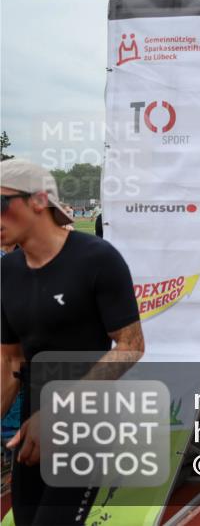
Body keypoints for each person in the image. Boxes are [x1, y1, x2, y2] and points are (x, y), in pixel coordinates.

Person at [0, 159, 145, 525]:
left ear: (38, 201)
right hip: (31, 430)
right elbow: (10, 362)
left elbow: (130, 346)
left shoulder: (98, 259)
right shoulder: (6, 273)